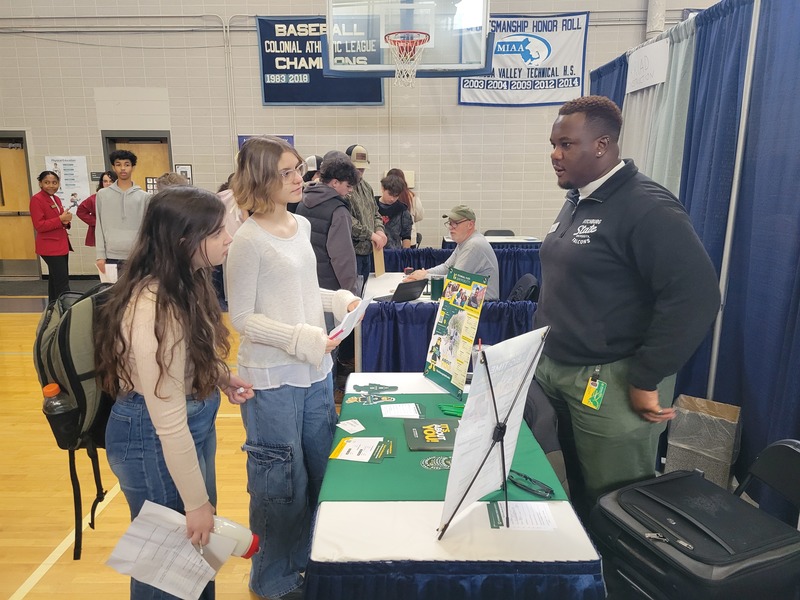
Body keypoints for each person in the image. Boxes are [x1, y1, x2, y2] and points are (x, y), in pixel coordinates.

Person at [533, 95, 720, 519]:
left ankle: (616, 581)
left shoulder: (646, 206)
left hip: (610, 383)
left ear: (602, 146)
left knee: (617, 504)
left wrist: (646, 375)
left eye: (566, 145)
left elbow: (697, 296)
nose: (555, 155)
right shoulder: (578, 199)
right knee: (575, 488)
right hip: (557, 371)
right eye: (553, 144)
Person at [94, 185, 254, 600]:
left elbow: (186, 356)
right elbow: (167, 421)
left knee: (194, 556)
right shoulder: (152, 307)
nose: (229, 238)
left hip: (181, 427)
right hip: (153, 437)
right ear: (185, 241)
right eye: (217, 232)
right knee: (166, 565)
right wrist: (197, 503)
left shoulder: (185, 280)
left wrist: (219, 375)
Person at [225, 136, 361, 600]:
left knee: (318, 473)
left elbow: (305, 294)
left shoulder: (301, 226)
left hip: (316, 375)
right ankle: (271, 578)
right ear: (261, 178)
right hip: (273, 380)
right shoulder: (247, 240)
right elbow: (244, 318)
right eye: (285, 172)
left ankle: (304, 565)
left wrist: (339, 300)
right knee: (280, 486)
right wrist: (304, 339)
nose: (297, 178)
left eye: (298, 168)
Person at [403, 205, 500, 299]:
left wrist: (424, 277)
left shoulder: (473, 245)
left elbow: (454, 283)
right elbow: (446, 267)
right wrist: (425, 273)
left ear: (470, 224)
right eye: (450, 223)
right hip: (473, 301)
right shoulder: (465, 242)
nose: (450, 227)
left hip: (484, 306)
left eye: (455, 223)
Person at [296, 155, 359, 294]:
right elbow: (342, 257)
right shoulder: (339, 211)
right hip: (332, 287)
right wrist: (351, 292)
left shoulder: (302, 202)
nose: (351, 190)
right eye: (348, 186)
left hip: (306, 281)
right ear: (335, 182)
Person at [95, 149, 151, 276]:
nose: (123, 168)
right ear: (113, 167)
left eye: (127, 164)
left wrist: (148, 255)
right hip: (111, 256)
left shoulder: (145, 197)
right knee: (112, 294)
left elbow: (147, 229)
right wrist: (100, 256)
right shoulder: (102, 195)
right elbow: (99, 226)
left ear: (133, 167)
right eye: (118, 164)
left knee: (136, 294)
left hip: (137, 255)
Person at [344, 144, 387, 290]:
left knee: (365, 291)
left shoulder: (367, 187)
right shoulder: (343, 188)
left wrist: (379, 230)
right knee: (353, 294)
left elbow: (375, 213)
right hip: (351, 253)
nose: (360, 171)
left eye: (362, 167)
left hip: (368, 252)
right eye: (357, 167)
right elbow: (347, 221)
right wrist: (371, 234)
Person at [30, 170, 72, 302]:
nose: (51, 186)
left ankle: (53, 308)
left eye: (54, 182)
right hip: (50, 247)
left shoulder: (56, 198)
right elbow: (39, 226)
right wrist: (60, 219)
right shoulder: (37, 199)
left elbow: (58, 220)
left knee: (55, 280)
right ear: (40, 183)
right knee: (62, 282)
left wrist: (65, 221)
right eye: (47, 182)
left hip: (61, 244)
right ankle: (65, 310)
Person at [77, 170, 116, 248]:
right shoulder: (94, 198)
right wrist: (96, 222)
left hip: (117, 232)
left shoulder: (122, 198)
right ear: (102, 183)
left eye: (111, 181)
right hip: (102, 233)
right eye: (105, 181)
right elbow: (81, 211)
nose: (108, 184)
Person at [387, 168, 424, 247]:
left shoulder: (387, 198)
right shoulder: (413, 197)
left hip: (391, 240)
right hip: (410, 239)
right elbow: (419, 216)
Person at [376, 174, 412, 249]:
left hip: (394, 252)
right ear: (383, 189)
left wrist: (405, 256)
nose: (392, 199)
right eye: (390, 194)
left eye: (396, 196)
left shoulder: (402, 210)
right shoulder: (371, 204)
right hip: (373, 251)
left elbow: (406, 236)